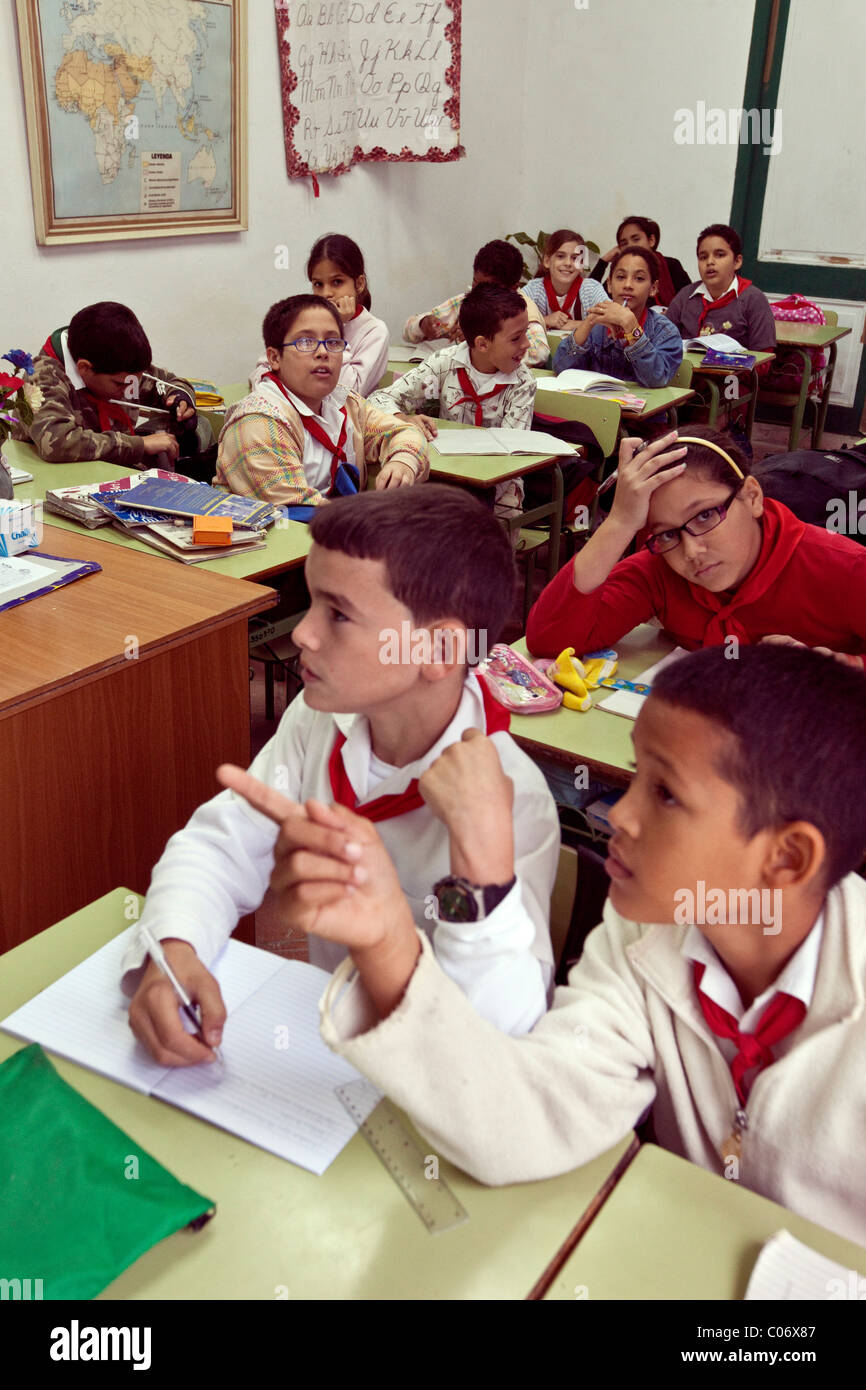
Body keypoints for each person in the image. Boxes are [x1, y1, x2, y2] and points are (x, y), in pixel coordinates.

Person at [253, 642, 866, 1246]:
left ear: (786, 857)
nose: (618, 816)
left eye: (666, 794)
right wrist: (387, 942)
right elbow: (525, 1121)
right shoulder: (643, 937)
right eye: (635, 777)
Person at [122, 486, 559, 1049]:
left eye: (338, 614)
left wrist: (481, 877)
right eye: (310, 603)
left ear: (439, 652)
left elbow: (503, 1040)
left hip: (434, 1086)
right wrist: (172, 950)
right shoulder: (321, 719)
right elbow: (220, 847)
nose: (302, 633)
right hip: (325, 1045)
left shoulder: (512, 799)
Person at [524, 426, 866, 666]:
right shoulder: (661, 568)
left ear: (752, 496)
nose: (691, 551)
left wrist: (843, 665)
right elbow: (550, 639)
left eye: (704, 516)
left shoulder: (845, 568)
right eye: (668, 533)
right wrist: (619, 523)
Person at [216, 295, 428, 510]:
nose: (323, 352)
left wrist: (404, 461)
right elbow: (298, 509)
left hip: (336, 529)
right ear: (274, 358)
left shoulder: (345, 403)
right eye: (306, 342)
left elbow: (404, 432)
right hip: (284, 537)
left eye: (333, 342)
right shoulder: (259, 422)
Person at [369, 284, 535, 518]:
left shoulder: (522, 382)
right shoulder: (444, 364)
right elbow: (378, 399)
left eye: (526, 333)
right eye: (516, 338)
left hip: (498, 486)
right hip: (447, 474)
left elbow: (511, 457)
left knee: (494, 519)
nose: (527, 344)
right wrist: (403, 418)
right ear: (482, 344)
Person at [19, 301, 206, 468]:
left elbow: (170, 382)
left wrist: (181, 398)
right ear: (84, 368)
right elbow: (58, 443)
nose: (129, 388)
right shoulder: (41, 377)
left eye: (134, 381)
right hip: (61, 480)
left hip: (112, 470)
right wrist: (140, 445)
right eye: (120, 384)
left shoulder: (119, 367)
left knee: (202, 429)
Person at [251, 234, 389, 398]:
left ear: (359, 283)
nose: (326, 294)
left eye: (337, 282)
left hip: (346, 421)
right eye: (318, 284)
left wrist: (339, 328)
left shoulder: (375, 331)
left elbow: (346, 393)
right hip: (295, 412)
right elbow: (262, 369)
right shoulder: (303, 319)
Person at [403, 239, 550, 367]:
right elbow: (408, 330)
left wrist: (477, 346)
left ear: (512, 288)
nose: (478, 293)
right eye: (475, 282)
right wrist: (423, 325)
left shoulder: (523, 311)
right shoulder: (465, 301)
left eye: (488, 288)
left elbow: (540, 353)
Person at [552, 247, 683, 388]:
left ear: (653, 288)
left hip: (644, 408)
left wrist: (631, 327)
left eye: (639, 278)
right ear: (609, 284)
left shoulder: (665, 331)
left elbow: (656, 379)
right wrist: (588, 323)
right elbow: (560, 368)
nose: (627, 285)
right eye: (620, 277)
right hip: (598, 406)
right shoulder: (596, 327)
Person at [666, 225, 776, 352]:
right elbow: (662, 342)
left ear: (737, 262)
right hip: (686, 370)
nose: (710, 262)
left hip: (734, 371)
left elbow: (764, 359)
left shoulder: (753, 299)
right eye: (703, 257)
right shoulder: (685, 295)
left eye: (719, 255)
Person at [590, 216, 691, 307]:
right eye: (624, 243)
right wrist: (603, 262)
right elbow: (589, 296)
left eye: (636, 239)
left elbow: (690, 301)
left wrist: (672, 314)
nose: (631, 246)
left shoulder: (671, 265)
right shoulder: (619, 272)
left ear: (651, 240)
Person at [523, 228, 609, 329]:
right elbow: (510, 319)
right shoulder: (535, 289)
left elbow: (611, 320)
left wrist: (577, 324)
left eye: (574, 258)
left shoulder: (591, 289)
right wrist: (544, 320)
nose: (568, 263)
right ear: (547, 261)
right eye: (560, 256)